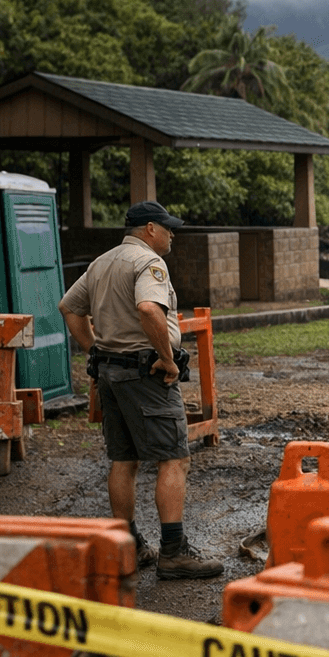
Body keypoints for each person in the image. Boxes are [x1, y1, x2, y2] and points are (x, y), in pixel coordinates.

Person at [59, 200, 223, 580]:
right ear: (150, 229)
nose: (172, 234)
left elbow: (69, 307)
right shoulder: (149, 262)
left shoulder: (101, 263)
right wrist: (167, 358)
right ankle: (174, 552)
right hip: (145, 374)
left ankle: (128, 546)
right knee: (174, 458)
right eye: (168, 228)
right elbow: (149, 309)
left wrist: (94, 350)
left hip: (110, 374)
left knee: (124, 459)